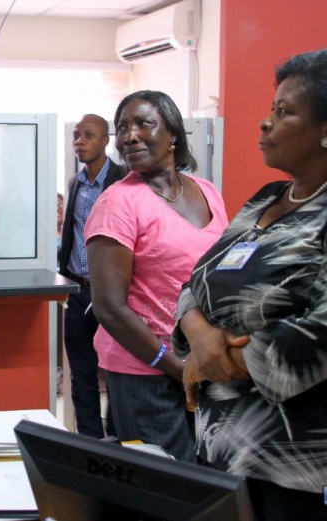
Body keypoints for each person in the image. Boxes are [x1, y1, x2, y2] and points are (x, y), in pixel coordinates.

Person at [172, 48, 327, 520]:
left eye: (284, 112)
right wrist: (200, 338)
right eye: (271, 109)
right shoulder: (266, 200)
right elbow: (197, 281)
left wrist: (214, 361)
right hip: (235, 458)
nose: (266, 123)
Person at [84, 91, 228, 462]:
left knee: (208, 476)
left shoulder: (208, 193)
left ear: (173, 135)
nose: (129, 136)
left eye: (143, 124)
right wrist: (174, 367)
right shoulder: (118, 203)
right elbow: (109, 308)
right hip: (146, 371)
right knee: (167, 484)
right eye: (122, 128)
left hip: (203, 364)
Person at [58, 114, 126, 438]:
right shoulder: (75, 183)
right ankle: (89, 441)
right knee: (80, 375)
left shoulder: (124, 181)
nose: (80, 142)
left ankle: (116, 440)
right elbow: (70, 234)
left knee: (115, 373)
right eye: (76, 136)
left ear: (105, 141)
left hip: (113, 294)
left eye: (88, 135)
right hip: (77, 292)